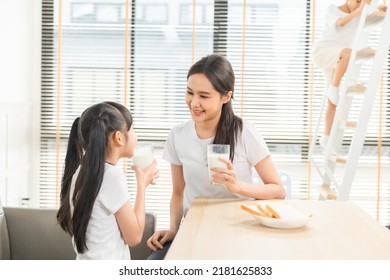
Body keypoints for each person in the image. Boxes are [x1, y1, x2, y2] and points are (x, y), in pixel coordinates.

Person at [146, 54, 286, 260]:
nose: (194, 102)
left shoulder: (244, 132)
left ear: (226, 97)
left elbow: (278, 190)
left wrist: (237, 186)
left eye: (204, 96)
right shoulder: (178, 135)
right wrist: (174, 229)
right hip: (195, 229)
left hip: (239, 231)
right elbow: (178, 192)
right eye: (189, 92)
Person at [56, 101, 159, 259]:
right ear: (119, 137)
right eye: (133, 130)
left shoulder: (81, 171)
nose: (136, 136)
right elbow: (134, 237)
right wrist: (142, 183)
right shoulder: (111, 176)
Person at [312, 0, 387, 149]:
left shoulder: (359, 14)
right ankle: (335, 87)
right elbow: (341, 23)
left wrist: (381, 8)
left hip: (339, 60)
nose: (359, 4)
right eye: (357, 1)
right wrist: (360, 10)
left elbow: (373, 13)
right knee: (348, 53)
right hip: (324, 52)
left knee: (332, 102)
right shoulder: (333, 9)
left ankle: (326, 138)